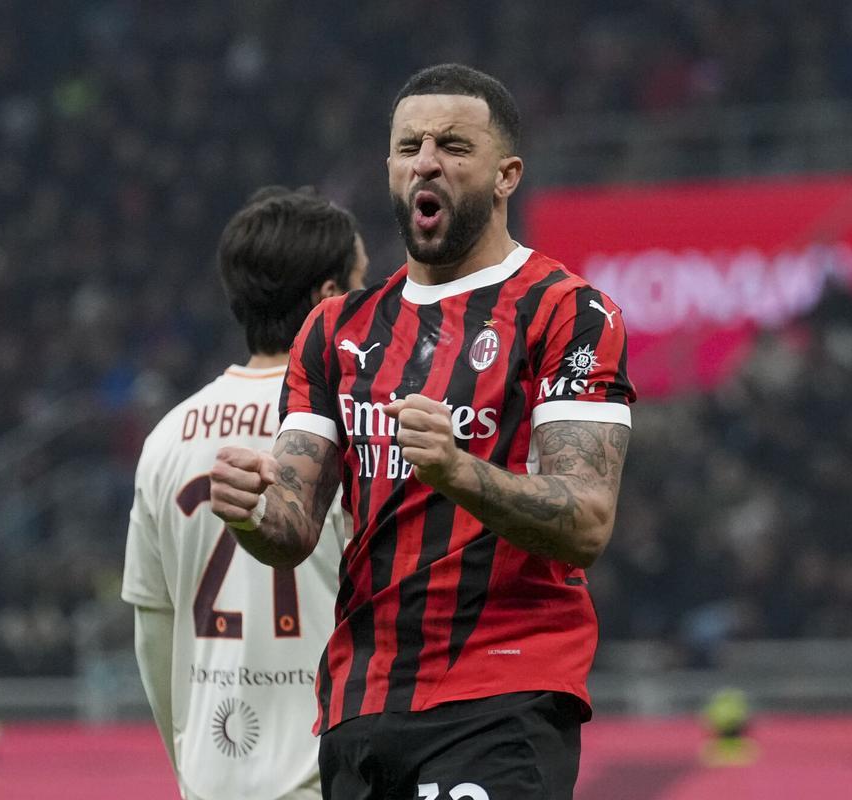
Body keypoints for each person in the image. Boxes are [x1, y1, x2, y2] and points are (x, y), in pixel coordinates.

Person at [209, 64, 635, 800]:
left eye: (452, 145)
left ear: (506, 175)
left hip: (500, 693)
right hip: (359, 704)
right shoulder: (336, 329)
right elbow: (293, 527)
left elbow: (588, 520)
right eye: (409, 146)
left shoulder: (569, 313)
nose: (426, 161)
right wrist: (251, 510)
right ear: (390, 168)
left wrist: (459, 472)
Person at [123, 186, 369, 800]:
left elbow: (155, 631)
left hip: (214, 779)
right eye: (363, 283)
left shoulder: (168, 437)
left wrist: (187, 763)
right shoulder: (355, 427)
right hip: (331, 775)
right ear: (330, 297)